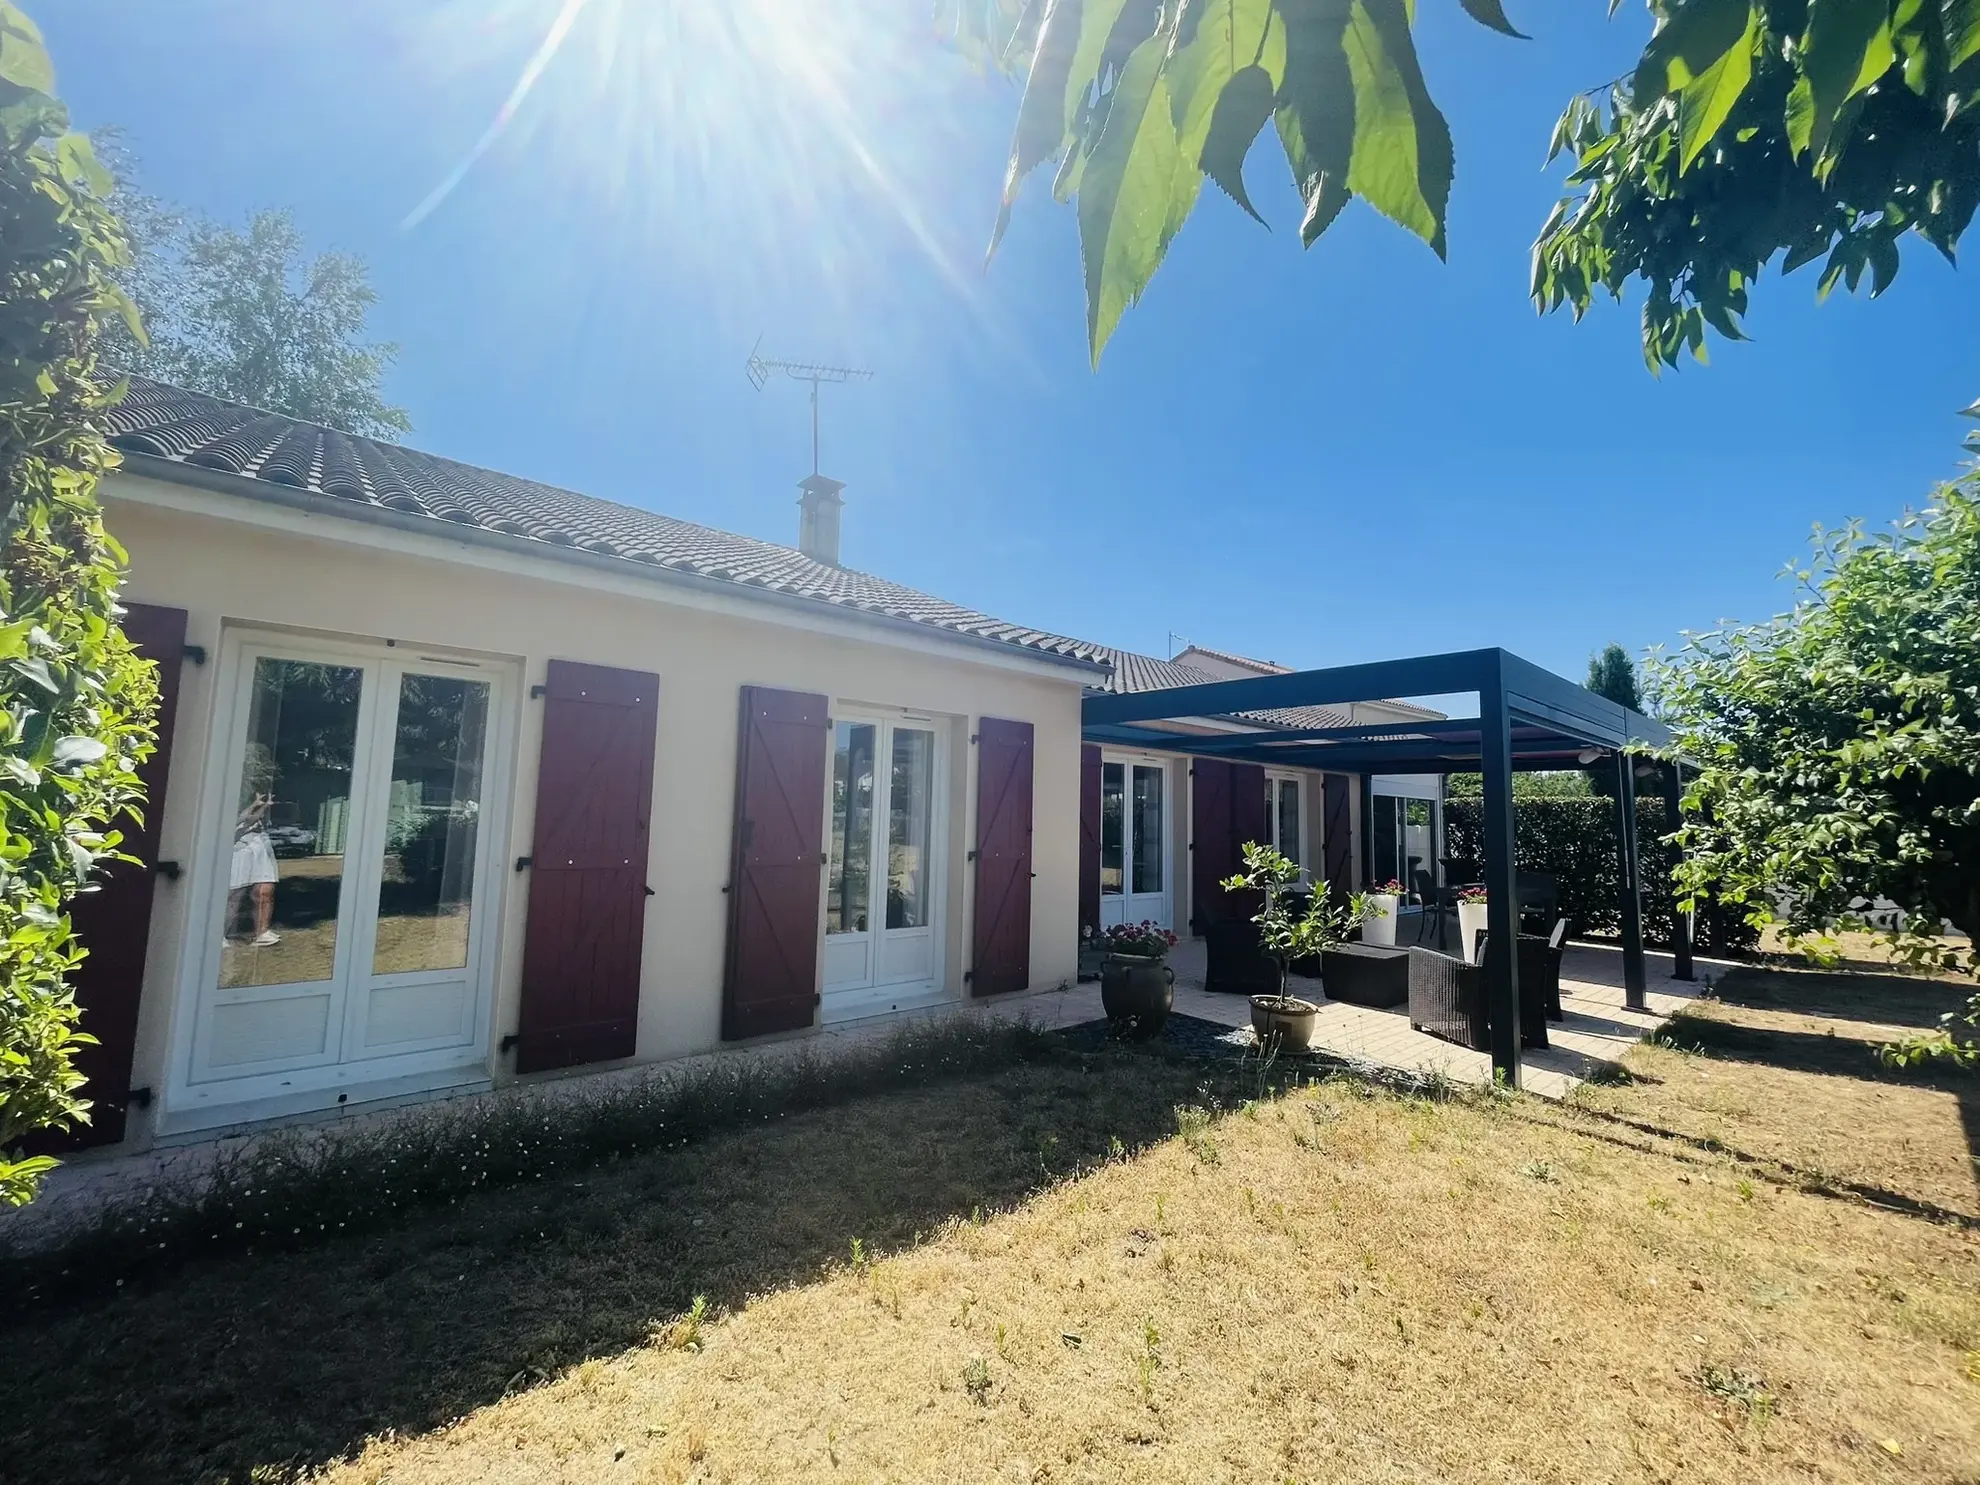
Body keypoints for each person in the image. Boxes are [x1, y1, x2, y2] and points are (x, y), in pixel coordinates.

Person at [228, 790, 281, 947]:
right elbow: (248, 820)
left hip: (260, 850)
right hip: (240, 853)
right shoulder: (232, 808)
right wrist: (260, 806)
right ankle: (221, 933)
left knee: (265, 891)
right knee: (234, 896)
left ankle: (262, 932)